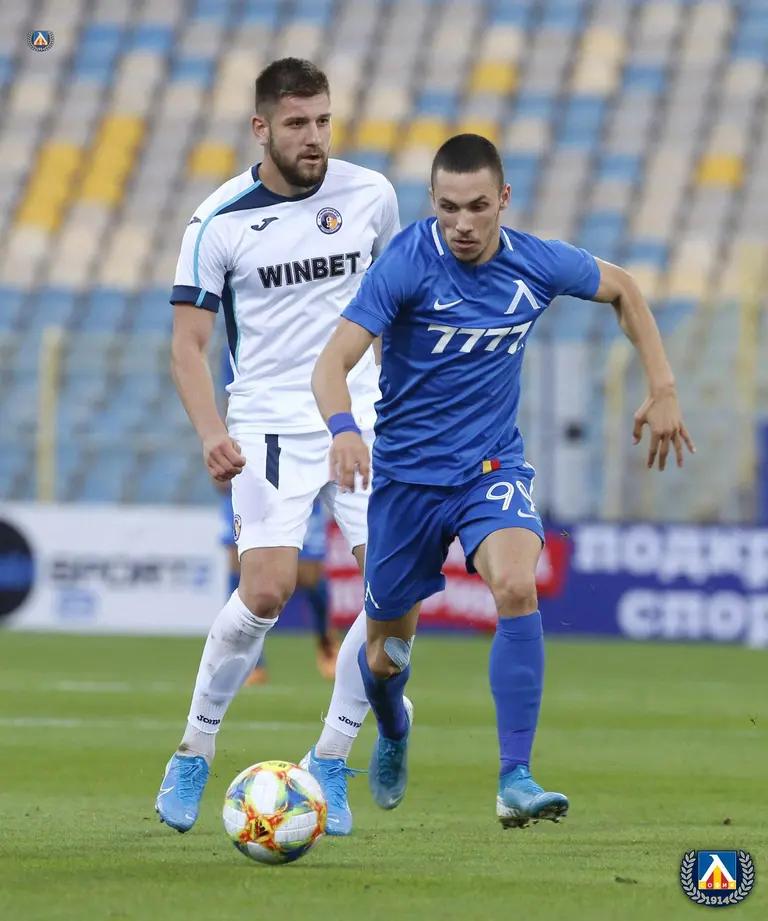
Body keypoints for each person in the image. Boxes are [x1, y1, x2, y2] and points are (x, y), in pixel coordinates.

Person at [311, 133, 695, 827]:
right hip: (405, 481)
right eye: (448, 207)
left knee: (517, 585)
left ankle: (515, 776)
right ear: (432, 201)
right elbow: (330, 363)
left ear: (504, 199)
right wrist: (343, 429)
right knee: (385, 655)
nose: (462, 223)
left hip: (489, 469)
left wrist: (663, 385)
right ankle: (394, 723)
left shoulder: (535, 262)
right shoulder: (405, 265)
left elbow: (624, 288)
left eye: (478, 206)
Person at [155, 57, 400, 836]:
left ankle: (330, 756)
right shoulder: (218, 221)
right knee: (265, 590)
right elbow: (188, 345)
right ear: (261, 128)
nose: (314, 136)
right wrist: (212, 432)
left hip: (362, 420)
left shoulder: (371, 195)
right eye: (297, 123)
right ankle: (194, 749)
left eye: (323, 120)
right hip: (267, 423)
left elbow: (395, 309)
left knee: (393, 597)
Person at [216, 345, 339, 686]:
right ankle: (249, 659)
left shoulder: (313, 337)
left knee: (309, 573)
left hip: (302, 451)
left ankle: (325, 641)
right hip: (252, 455)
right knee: (238, 561)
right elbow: (230, 398)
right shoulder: (240, 341)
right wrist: (222, 446)